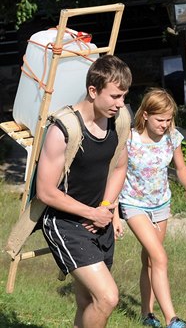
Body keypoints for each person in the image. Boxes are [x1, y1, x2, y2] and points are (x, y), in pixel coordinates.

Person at [37, 54, 132, 328]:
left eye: (124, 96)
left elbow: (119, 167)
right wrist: (91, 213)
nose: (121, 104)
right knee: (108, 297)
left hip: (98, 219)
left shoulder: (119, 121)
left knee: (89, 302)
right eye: (115, 96)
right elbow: (45, 192)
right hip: (64, 222)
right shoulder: (63, 130)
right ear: (93, 91)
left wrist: (105, 206)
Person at [118, 88, 186, 328]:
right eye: (160, 120)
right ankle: (172, 320)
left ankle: (147, 314)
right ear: (145, 114)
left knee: (151, 261)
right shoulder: (129, 139)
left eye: (168, 119)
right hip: (133, 204)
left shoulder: (172, 137)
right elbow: (114, 173)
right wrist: (113, 213)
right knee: (160, 257)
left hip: (161, 204)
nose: (164, 125)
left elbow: (181, 167)